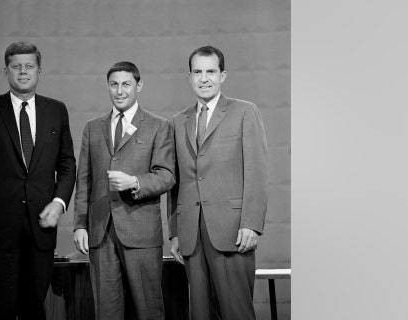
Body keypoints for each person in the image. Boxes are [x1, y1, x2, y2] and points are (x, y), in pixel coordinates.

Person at [0, 41, 76, 320]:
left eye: (29, 66)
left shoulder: (56, 110)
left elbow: (67, 163)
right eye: (16, 67)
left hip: (41, 228)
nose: (23, 72)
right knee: (1, 310)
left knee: (34, 309)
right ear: (6, 71)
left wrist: (59, 202)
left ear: (38, 71)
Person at [167, 45, 269, 320]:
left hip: (232, 231)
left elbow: (257, 172)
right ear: (189, 77)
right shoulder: (178, 122)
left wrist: (251, 223)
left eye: (211, 71)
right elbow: (176, 182)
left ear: (223, 75)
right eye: (197, 72)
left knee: (237, 313)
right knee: (200, 314)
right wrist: (175, 230)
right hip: (192, 236)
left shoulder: (245, 112)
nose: (204, 78)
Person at [73, 61, 176, 320]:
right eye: (114, 84)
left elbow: (166, 176)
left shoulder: (158, 126)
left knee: (149, 310)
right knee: (106, 312)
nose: (120, 91)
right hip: (101, 234)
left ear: (138, 86)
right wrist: (80, 225)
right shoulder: (92, 127)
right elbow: (83, 180)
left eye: (126, 84)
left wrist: (135, 182)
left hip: (140, 233)